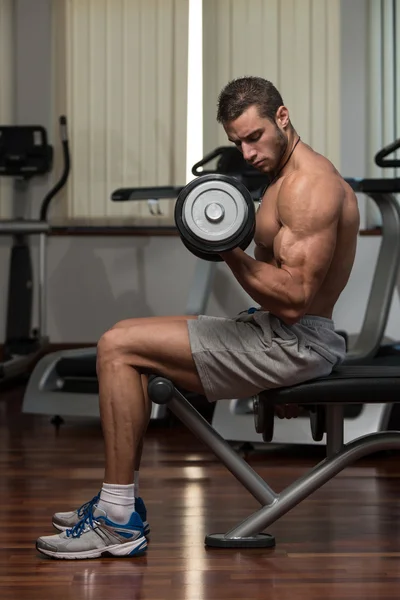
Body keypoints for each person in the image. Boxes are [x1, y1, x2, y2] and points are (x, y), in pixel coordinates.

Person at [36, 76, 360, 559]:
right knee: (123, 336)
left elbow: (293, 299)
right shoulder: (280, 180)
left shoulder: (309, 187)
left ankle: (118, 519)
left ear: (282, 117)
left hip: (294, 343)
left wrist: (226, 248)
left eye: (255, 137)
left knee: (117, 348)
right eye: (237, 143)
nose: (247, 153)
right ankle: (116, 504)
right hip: (276, 332)